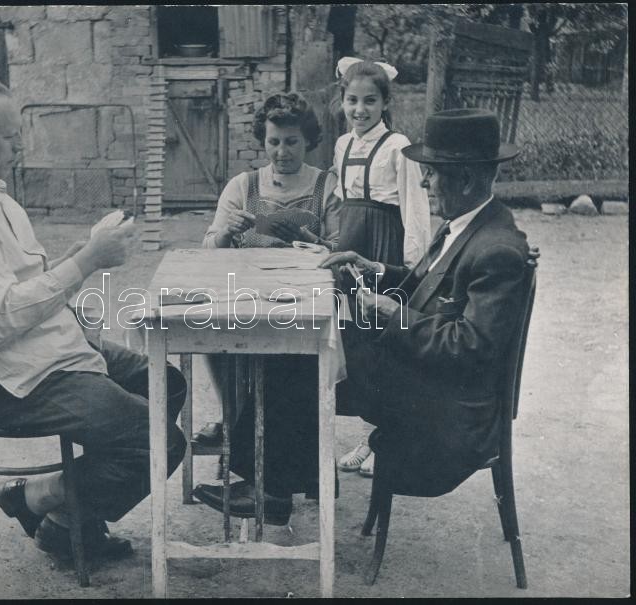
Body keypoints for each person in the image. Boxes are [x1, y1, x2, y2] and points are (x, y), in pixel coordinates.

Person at [0, 71, 187, 561]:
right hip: (5, 379)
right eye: (10, 136)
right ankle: (38, 496)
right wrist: (87, 261)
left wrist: (73, 260)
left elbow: (19, 289)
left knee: (168, 383)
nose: (20, 146)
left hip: (42, 351)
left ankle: (66, 521)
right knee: (157, 438)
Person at [321, 108, 530, 496]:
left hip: (446, 410)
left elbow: (471, 345)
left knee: (305, 359)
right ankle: (284, 485)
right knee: (312, 348)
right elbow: (423, 285)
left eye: (431, 173)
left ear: (464, 179)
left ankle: (274, 492)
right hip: (423, 379)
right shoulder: (465, 224)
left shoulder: (496, 250)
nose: (422, 182)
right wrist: (375, 269)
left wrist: (394, 314)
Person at [191, 92, 341, 524]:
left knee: (290, 358)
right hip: (249, 299)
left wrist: (311, 243)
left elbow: (339, 249)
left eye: (291, 142)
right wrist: (226, 232)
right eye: (274, 142)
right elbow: (209, 248)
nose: (282, 152)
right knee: (214, 335)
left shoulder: (326, 186)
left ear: (307, 141)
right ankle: (245, 448)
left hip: (303, 301)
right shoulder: (243, 186)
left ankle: (265, 481)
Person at [331, 57, 431, 477]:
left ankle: (386, 441)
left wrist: (412, 268)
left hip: (384, 250)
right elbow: (343, 204)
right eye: (352, 100)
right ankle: (370, 434)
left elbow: (415, 209)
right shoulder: (342, 145)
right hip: (351, 250)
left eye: (370, 101)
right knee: (357, 347)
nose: (360, 109)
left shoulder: (398, 147)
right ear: (343, 101)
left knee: (385, 344)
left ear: (385, 102)